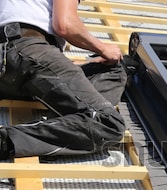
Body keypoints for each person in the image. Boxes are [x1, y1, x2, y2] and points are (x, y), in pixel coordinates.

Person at [0, 0, 127, 159]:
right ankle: (72, 125)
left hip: (14, 64)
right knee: (107, 123)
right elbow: (65, 24)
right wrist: (103, 48)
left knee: (98, 69)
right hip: (25, 49)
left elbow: (37, 63)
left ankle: (74, 121)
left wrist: (84, 64)